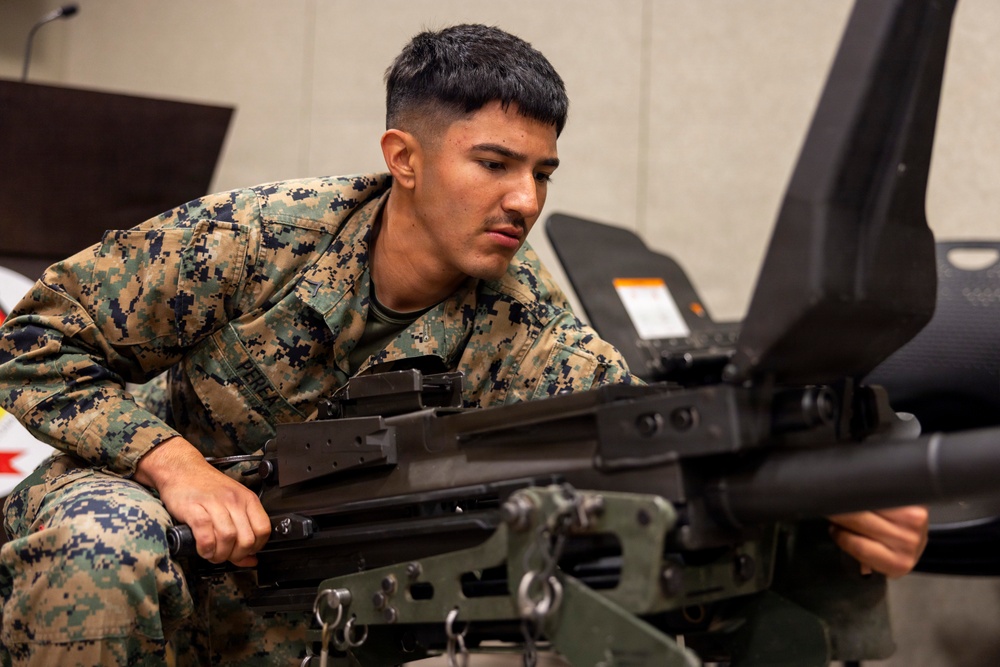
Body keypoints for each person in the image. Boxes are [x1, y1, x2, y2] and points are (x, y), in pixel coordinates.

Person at [0, 23, 927, 667]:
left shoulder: (530, 324)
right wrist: (174, 465)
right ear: (404, 157)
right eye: (494, 164)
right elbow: (37, 336)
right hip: (141, 488)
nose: (526, 199)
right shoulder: (259, 236)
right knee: (105, 546)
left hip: (303, 572)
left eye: (542, 173)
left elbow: (638, 450)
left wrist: (828, 505)